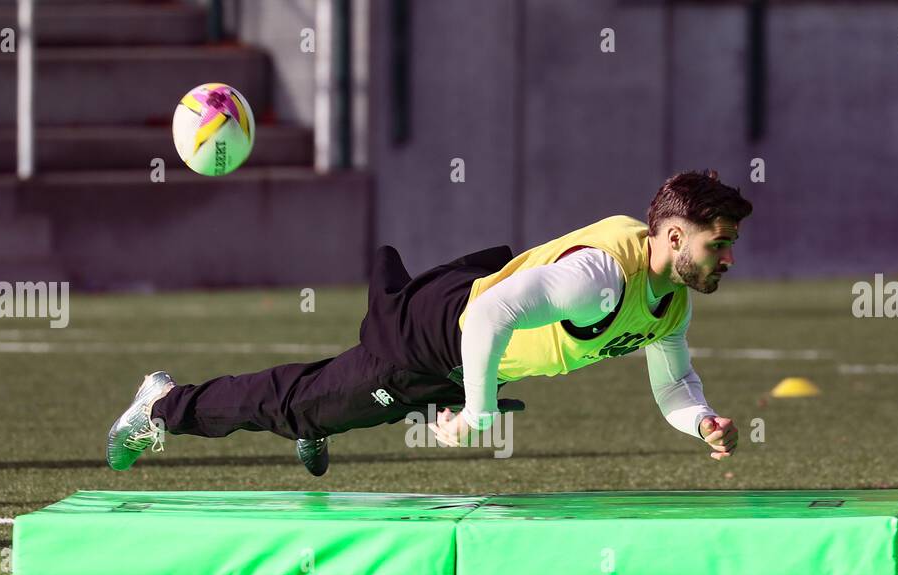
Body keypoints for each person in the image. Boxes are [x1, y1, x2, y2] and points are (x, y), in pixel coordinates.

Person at [106, 169, 748, 476]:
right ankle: (162, 404)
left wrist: (701, 420)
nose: (727, 257)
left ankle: (326, 414)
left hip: (470, 346)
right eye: (717, 243)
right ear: (670, 235)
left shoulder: (673, 301)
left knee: (338, 398)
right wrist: (479, 414)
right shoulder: (602, 279)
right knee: (301, 404)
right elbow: (491, 314)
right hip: (436, 336)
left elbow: (675, 383)